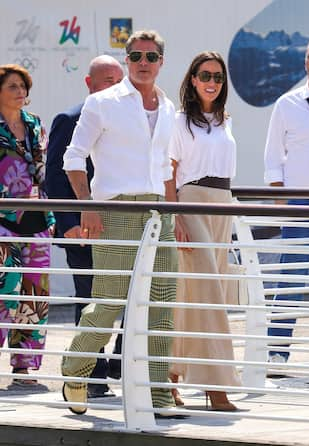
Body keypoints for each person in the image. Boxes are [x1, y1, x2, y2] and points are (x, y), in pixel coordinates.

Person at [61, 30, 180, 417]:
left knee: (162, 304)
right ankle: (75, 373)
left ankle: (156, 392)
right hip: (115, 210)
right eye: (136, 56)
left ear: (162, 61)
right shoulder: (101, 103)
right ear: (126, 60)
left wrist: (173, 214)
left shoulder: (168, 107)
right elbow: (74, 158)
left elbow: (165, 167)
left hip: (158, 212)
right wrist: (88, 205)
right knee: (109, 300)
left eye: (151, 56)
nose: (143, 62)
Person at [165, 51, 241, 411]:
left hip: (222, 203)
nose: (212, 82)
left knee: (195, 295)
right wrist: (176, 216)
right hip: (191, 203)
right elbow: (169, 171)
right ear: (192, 80)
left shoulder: (226, 120)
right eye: (205, 75)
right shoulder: (180, 122)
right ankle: (216, 386)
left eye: (218, 77)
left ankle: (170, 376)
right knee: (207, 294)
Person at [45, 55, 124, 398]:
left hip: (126, 227)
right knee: (89, 298)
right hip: (84, 230)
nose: (115, 86)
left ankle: (123, 363)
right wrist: (69, 223)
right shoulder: (70, 118)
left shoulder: (132, 118)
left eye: (119, 80)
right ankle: (90, 374)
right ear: (89, 84)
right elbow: (54, 177)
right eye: (107, 80)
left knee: (134, 297)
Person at [264, 35, 309, 365]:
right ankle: (277, 352)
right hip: (300, 204)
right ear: (305, 63)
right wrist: (281, 202)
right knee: (290, 279)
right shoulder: (287, 104)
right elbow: (272, 157)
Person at [0, 64, 55, 386]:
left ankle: (24, 368)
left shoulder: (35, 124)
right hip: (2, 220)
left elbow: (43, 171)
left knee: (34, 295)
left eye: (23, 86)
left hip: (36, 220)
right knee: (4, 293)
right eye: (12, 86)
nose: (21, 92)